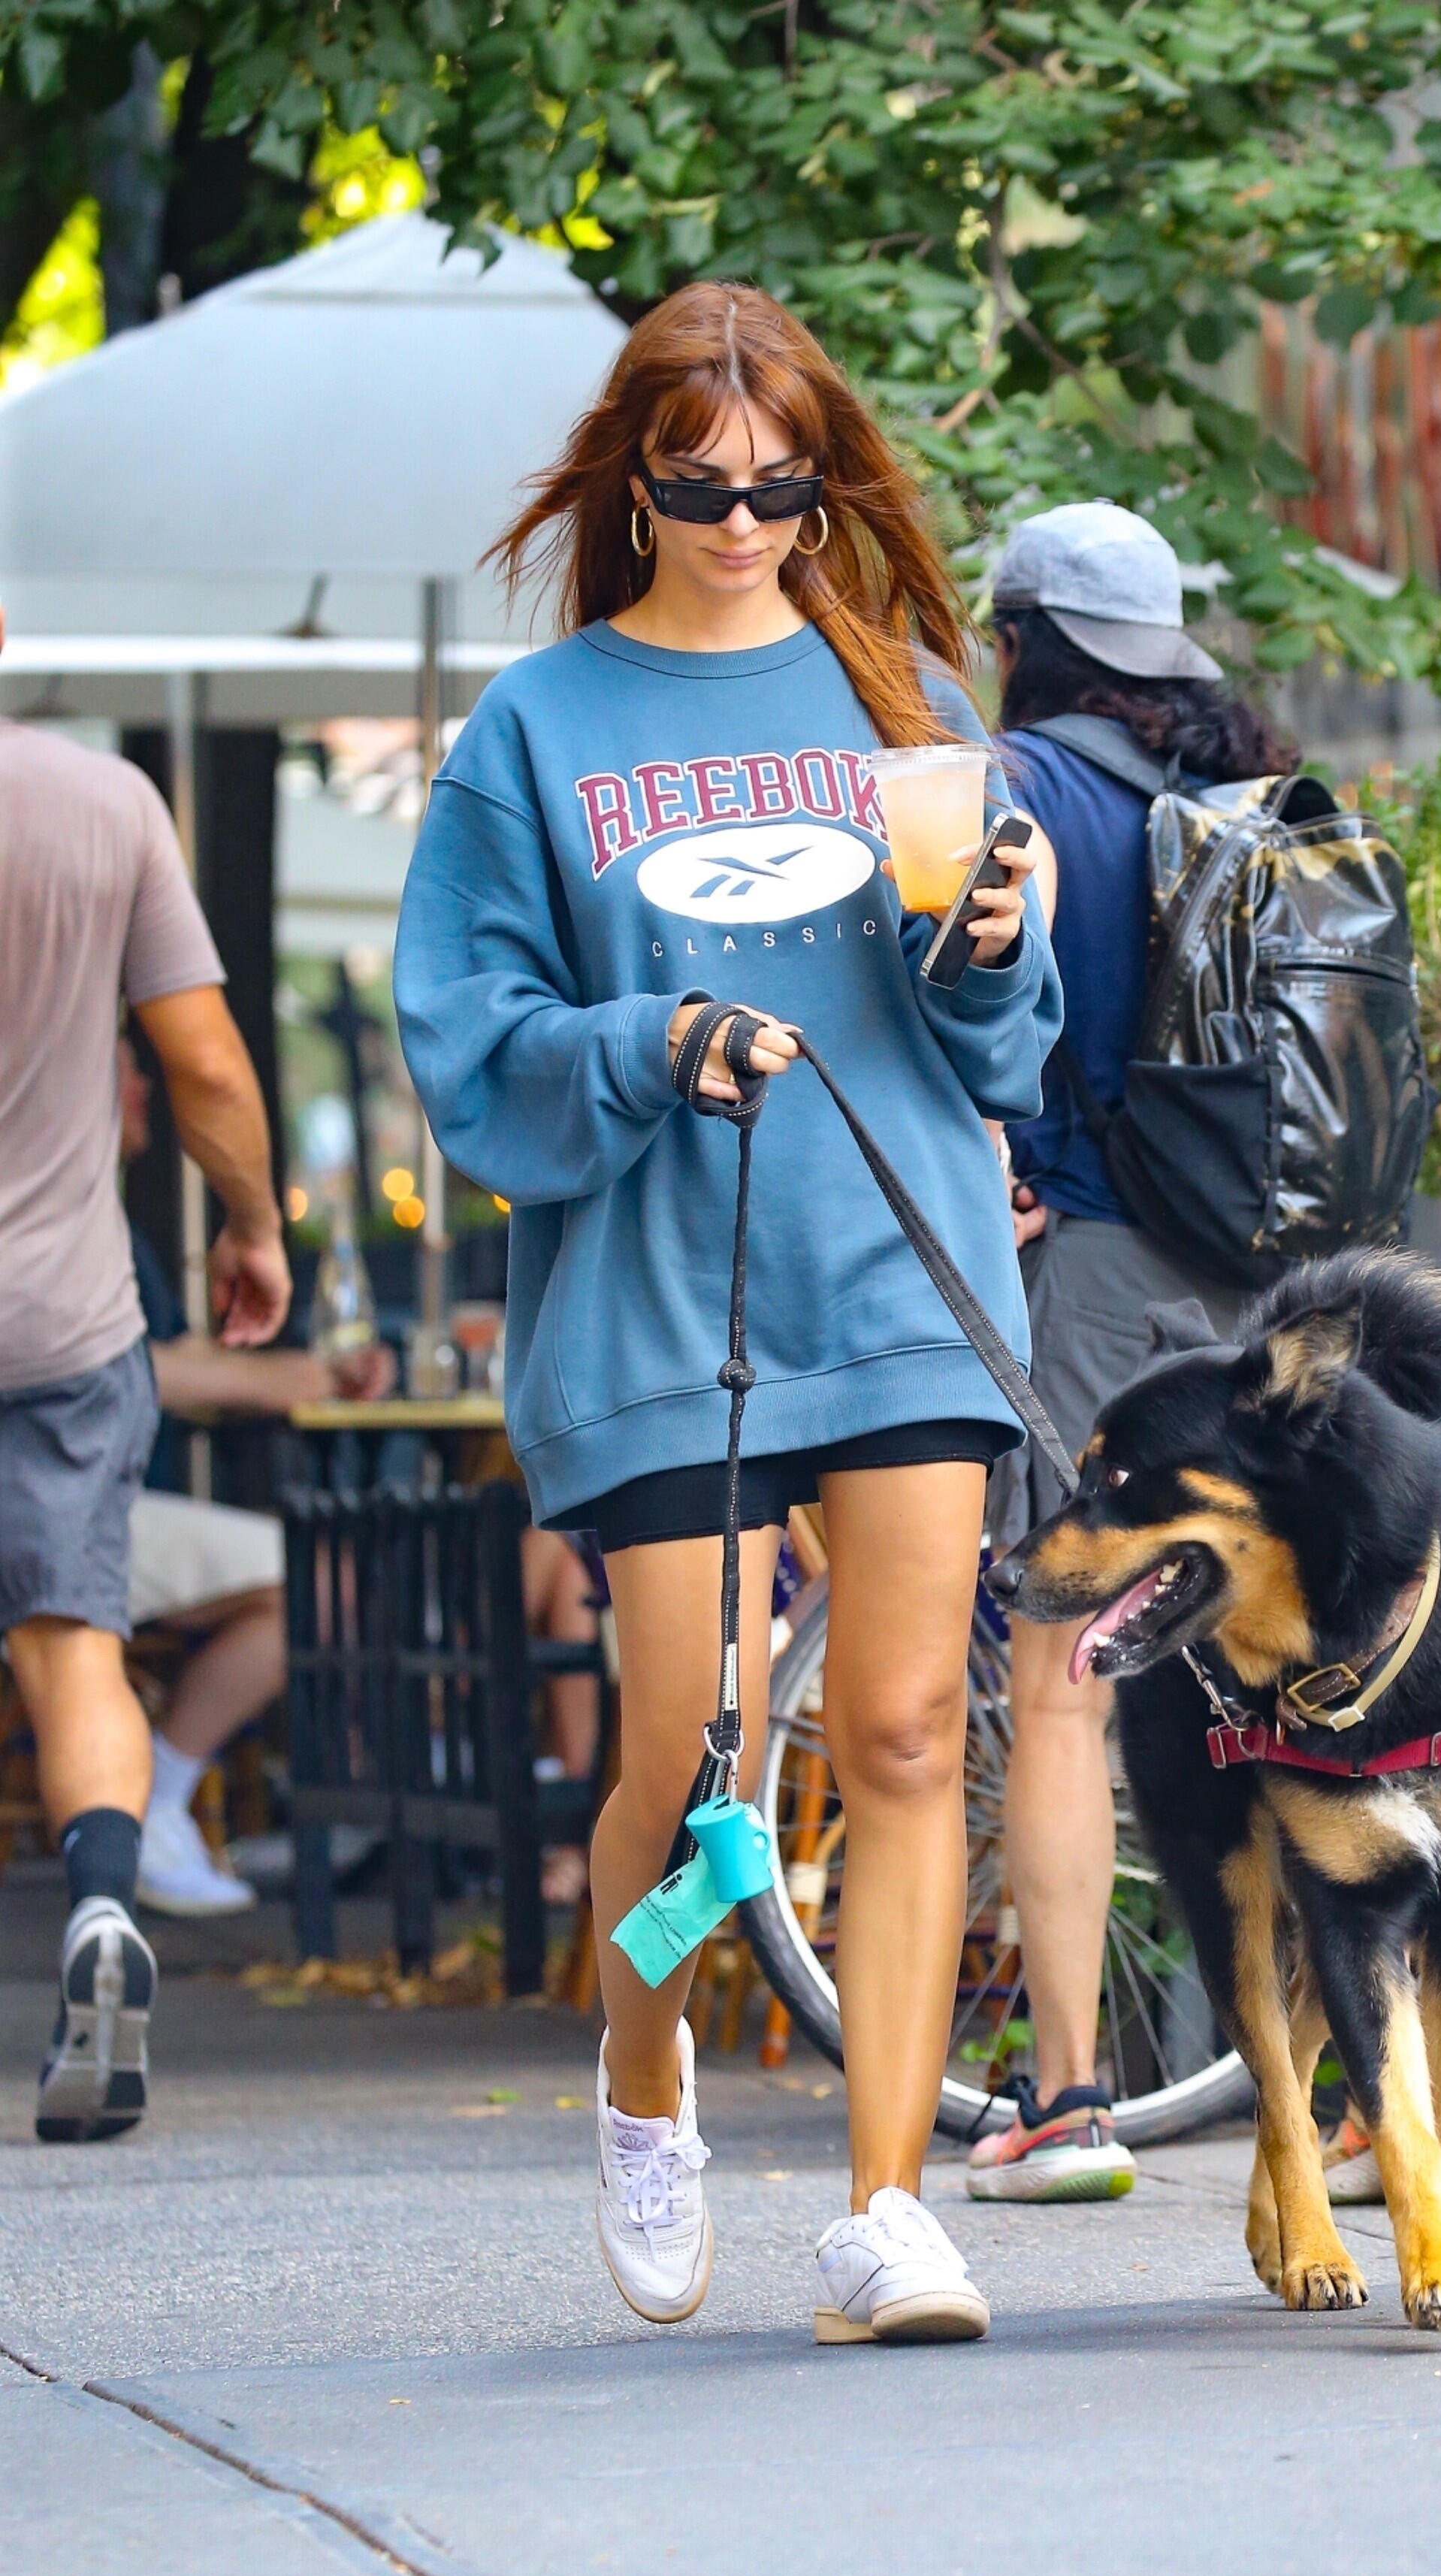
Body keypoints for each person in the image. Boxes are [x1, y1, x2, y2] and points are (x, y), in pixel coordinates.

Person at [394, 282, 1060, 2343]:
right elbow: (464, 1031)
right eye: (703, 490)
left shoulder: (903, 697)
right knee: (693, 1754)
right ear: (635, 483)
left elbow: (998, 1042)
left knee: (905, 1730)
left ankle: (885, 2208)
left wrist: (994, 940)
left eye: (785, 490)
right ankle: (643, 2066)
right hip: (659, 1290)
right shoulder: (540, 727)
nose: (748, 526)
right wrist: (647, 1038)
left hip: (897, 1260)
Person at [972, 503, 1298, 2203]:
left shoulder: (1016, 792)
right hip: (1266, 1281)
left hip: (1095, 1277)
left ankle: (1070, 2098)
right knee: (1288, 1672)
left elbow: (968, 1026)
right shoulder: (1242, 792)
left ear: (1020, 641)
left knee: (1057, 1680)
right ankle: (1351, 2100)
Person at [0, 612, 292, 2142]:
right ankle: (106, 1909)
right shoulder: (106, 803)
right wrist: (253, 1224)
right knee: (74, 1646)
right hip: (61, 1319)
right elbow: (208, 1062)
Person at [113, 1035, 394, 1915]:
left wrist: (297, 1372)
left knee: (324, 1570)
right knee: (315, 1576)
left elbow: (164, 1356)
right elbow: (132, 1370)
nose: (143, 1084)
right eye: (123, 1066)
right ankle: (151, 1801)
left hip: (95, 1499)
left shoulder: (95, 1213)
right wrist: (283, 1378)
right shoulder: (53, 1208)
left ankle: (156, 1798)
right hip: (67, 1507)